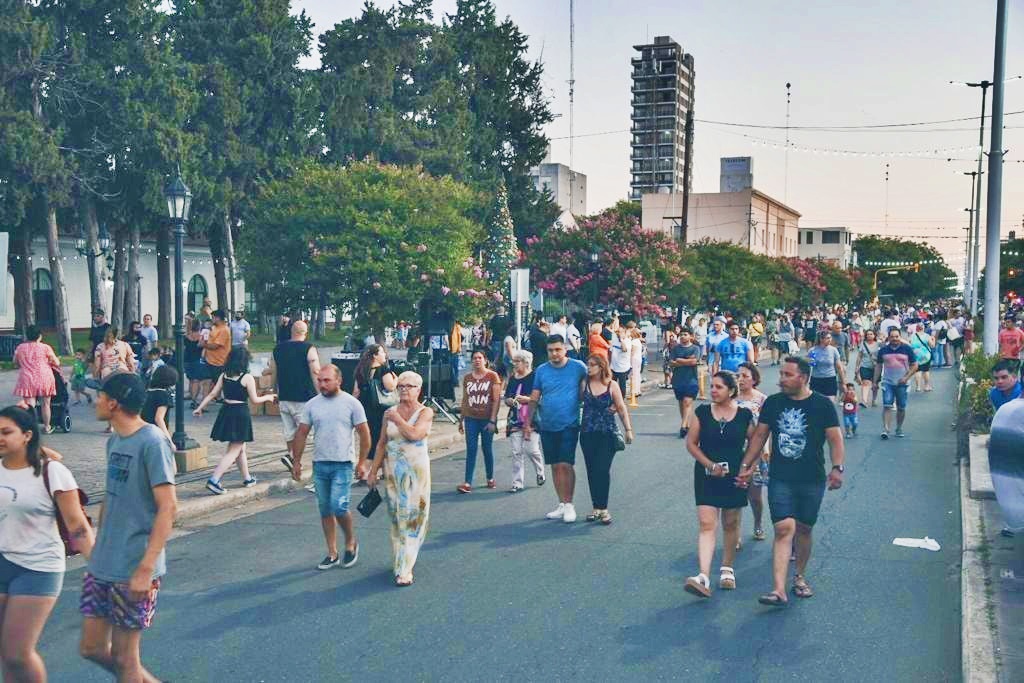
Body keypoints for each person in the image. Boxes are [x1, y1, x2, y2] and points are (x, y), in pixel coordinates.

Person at [80, 372, 177, 682]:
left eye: (100, 396)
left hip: (135, 564)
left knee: (125, 660)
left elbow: (168, 507)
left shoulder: (152, 441)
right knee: (91, 647)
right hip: (104, 561)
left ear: (113, 403)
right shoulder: (115, 440)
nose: (96, 400)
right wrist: (96, 547)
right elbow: (112, 496)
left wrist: (146, 567)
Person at [737, 357, 845, 607]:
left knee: (804, 529)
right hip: (781, 477)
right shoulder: (774, 403)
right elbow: (760, 435)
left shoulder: (822, 405)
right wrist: (746, 465)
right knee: (784, 528)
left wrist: (837, 468)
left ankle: (799, 576)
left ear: (803, 378)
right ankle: (778, 589)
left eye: (787, 375)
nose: (781, 379)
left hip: (812, 478)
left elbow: (835, 439)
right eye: (781, 374)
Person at [0, 406, 93, 683]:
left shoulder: (53, 472)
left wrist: (100, 570)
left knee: (18, 652)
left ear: (27, 435)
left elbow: (77, 526)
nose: (0, 438)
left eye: (6, 432)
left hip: (39, 567)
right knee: (5, 652)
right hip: (3, 560)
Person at [290, 365, 371, 570]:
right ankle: (332, 552)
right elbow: (301, 433)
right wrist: (297, 461)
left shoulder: (352, 404)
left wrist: (362, 462)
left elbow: (364, 434)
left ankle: (351, 541)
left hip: (343, 464)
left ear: (338, 381)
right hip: (320, 464)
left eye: (327, 380)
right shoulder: (312, 405)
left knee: (339, 506)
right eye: (320, 380)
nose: (322, 384)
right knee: (325, 509)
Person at [684, 371, 755, 597]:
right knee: (706, 523)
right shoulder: (703, 412)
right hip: (706, 474)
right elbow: (692, 444)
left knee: (731, 523)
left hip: (735, 475)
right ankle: (703, 575)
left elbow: (756, 444)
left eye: (718, 387)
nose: (713, 390)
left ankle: (727, 568)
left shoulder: (744, 415)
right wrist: (709, 465)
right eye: (712, 386)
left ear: (731, 391)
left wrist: (749, 469)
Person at [366, 371, 433, 587]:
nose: (404, 389)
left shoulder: (426, 412)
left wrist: (397, 420)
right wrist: (373, 470)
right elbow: (381, 443)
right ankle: (401, 558)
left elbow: (415, 434)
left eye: (410, 386)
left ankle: (405, 568)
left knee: (412, 518)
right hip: (393, 473)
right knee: (397, 518)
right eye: (401, 385)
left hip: (416, 474)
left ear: (418, 390)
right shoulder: (389, 412)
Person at [523, 335, 589, 523]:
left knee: (565, 464)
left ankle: (569, 504)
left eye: (558, 350)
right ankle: (561, 503)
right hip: (547, 424)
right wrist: (527, 423)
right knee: (554, 465)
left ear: (565, 349)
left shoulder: (578, 367)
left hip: (569, 423)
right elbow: (534, 397)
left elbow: (592, 385)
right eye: (551, 350)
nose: (554, 354)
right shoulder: (542, 370)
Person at [196, 348, 276, 494]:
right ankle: (214, 479)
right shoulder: (247, 378)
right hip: (240, 413)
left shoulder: (224, 375)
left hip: (226, 411)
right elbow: (255, 400)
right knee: (234, 449)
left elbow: (213, 393)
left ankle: (247, 478)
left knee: (240, 447)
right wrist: (269, 397)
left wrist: (200, 407)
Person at [580, 354, 633, 525]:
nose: (589, 368)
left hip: (607, 433)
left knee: (602, 469)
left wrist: (628, 430)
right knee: (591, 470)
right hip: (588, 432)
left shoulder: (612, 385)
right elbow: (577, 402)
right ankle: (596, 507)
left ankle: (604, 508)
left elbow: (621, 407)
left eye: (592, 365)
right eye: (588, 364)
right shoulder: (584, 384)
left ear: (601, 366)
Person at [271, 320, 321, 476]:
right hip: (304, 396)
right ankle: (294, 458)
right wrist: (321, 392)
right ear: (305, 333)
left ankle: (292, 458)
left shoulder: (277, 349)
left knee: (289, 431)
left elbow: (274, 371)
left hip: (285, 395)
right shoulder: (309, 348)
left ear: (292, 331)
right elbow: (315, 371)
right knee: (303, 431)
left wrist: (274, 390)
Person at [457, 350, 502, 493]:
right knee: (471, 449)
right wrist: (461, 419)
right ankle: (467, 482)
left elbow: (496, 400)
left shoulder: (492, 376)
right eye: (474, 358)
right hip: (471, 418)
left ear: (485, 360)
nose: (477, 360)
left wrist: (493, 420)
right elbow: (465, 399)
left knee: (487, 448)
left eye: (480, 358)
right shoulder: (467, 378)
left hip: (486, 419)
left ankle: (490, 477)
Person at [352, 344, 399, 473]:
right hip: (380, 409)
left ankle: (373, 468)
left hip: (365, 408)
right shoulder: (383, 369)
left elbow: (356, 391)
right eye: (382, 353)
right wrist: (396, 380)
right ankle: (371, 469)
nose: (385, 355)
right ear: (375, 356)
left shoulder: (361, 370)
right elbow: (389, 387)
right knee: (382, 438)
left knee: (369, 437)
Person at [503, 350, 545, 493]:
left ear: (526, 362)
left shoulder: (535, 377)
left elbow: (542, 398)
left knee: (532, 450)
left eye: (517, 361)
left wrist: (528, 400)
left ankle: (540, 472)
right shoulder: (513, 378)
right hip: (515, 418)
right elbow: (507, 397)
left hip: (532, 418)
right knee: (516, 452)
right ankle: (517, 482)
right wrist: (510, 400)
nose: (514, 364)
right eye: (514, 362)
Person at [736, 362, 768, 543]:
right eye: (738, 375)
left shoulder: (762, 399)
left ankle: (758, 523)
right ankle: (735, 533)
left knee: (755, 496)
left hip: (755, 452)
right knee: (735, 495)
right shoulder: (730, 398)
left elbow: (766, 429)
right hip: (735, 451)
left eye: (745, 376)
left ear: (754, 379)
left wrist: (766, 450)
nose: (740, 379)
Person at [12, 326, 62, 434]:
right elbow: (56, 363)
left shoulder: (20, 348)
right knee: (45, 404)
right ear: (39, 336)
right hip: (44, 377)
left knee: (30, 405)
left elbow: (15, 362)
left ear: (27, 336)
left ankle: (31, 428)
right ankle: (47, 426)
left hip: (27, 378)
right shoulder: (45, 348)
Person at [873, 328, 918, 439]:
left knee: (901, 407)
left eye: (897, 336)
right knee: (887, 405)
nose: (894, 339)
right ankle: (886, 429)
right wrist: (875, 382)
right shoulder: (883, 350)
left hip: (902, 383)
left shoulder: (906, 349)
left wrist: (906, 377)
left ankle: (898, 428)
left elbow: (915, 365)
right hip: (887, 382)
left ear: (900, 337)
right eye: (892, 336)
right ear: (888, 337)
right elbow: (878, 366)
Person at [670, 328, 701, 438]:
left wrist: (680, 360)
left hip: (691, 380)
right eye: (681, 334)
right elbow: (672, 362)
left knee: (687, 402)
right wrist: (685, 361)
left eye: (685, 334)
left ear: (691, 336)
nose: (683, 336)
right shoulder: (675, 349)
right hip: (678, 380)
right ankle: (686, 424)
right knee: (681, 403)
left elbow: (694, 361)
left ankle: (683, 426)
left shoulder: (695, 348)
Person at [141, 365, 178, 444]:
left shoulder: (147, 392)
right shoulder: (164, 395)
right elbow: (159, 418)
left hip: (143, 430)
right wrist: (168, 439)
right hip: (156, 434)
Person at [807, 330, 845, 402]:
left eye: (830, 338)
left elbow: (839, 367)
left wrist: (843, 383)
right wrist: (806, 381)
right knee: (816, 403)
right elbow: (809, 367)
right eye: (827, 338)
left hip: (830, 379)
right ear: (821, 339)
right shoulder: (813, 350)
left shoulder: (833, 350)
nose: (829, 340)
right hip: (816, 380)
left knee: (829, 403)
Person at [201, 309, 231, 385]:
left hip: (219, 362)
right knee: (208, 381)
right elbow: (209, 340)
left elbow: (215, 346)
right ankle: (211, 396)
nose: (212, 319)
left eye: (213, 317)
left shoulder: (224, 330)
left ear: (218, 318)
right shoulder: (214, 328)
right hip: (209, 360)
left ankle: (217, 396)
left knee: (217, 382)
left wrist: (203, 345)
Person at [854, 329, 880, 408]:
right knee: (865, 383)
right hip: (865, 367)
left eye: (871, 334)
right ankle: (864, 401)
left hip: (876, 368)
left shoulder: (878, 344)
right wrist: (857, 367)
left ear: (874, 335)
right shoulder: (863, 344)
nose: (869, 335)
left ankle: (874, 400)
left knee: (875, 385)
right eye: (868, 334)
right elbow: (859, 356)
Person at [909, 325, 935, 392]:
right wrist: (934, 339)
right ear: (923, 328)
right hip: (926, 356)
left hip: (916, 355)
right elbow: (932, 345)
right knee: (926, 370)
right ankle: (926, 386)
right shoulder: (927, 336)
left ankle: (918, 387)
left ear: (916, 329)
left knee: (917, 371)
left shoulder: (912, 336)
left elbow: (909, 345)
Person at [609, 327, 633, 398]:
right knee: (612, 384)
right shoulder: (614, 340)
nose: (618, 334)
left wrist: (621, 340)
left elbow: (624, 349)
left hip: (623, 367)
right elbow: (610, 352)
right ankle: (613, 399)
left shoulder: (628, 341)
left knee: (622, 385)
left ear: (624, 333)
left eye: (621, 332)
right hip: (613, 366)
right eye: (617, 332)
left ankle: (621, 399)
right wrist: (609, 364)